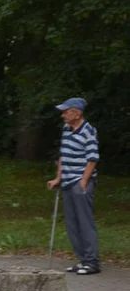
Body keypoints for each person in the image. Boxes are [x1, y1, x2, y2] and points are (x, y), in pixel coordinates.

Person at [46, 97, 100, 275]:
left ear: (77, 113)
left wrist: (84, 181)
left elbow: (92, 159)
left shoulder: (88, 131)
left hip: (80, 182)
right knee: (72, 223)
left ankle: (92, 262)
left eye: (66, 111)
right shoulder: (66, 129)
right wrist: (57, 178)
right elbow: (63, 154)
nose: (62, 115)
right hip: (68, 181)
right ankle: (82, 260)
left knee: (85, 222)